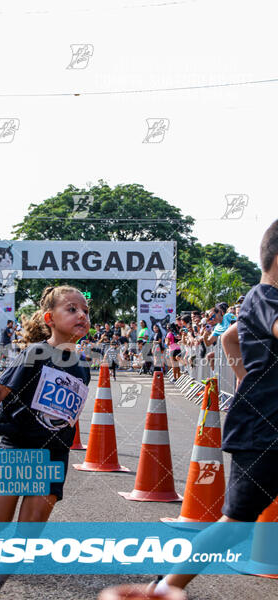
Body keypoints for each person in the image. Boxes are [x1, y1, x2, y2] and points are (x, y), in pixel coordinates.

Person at [148, 219, 278, 597]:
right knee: (236, 524)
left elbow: (232, 338)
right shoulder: (265, 295)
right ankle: (165, 587)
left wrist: (242, 376)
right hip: (264, 432)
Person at [0, 286, 91, 600]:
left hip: (54, 457)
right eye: (72, 309)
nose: (82, 315)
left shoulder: (83, 368)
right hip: (19, 450)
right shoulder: (35, 354)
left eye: (86, 311)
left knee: (30, 531)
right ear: (50, 319)